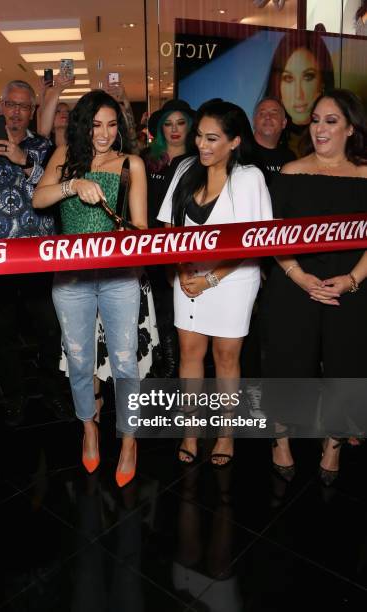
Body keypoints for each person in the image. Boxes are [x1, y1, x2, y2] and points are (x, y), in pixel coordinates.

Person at [33, 90, 148, 487]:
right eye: (96, 124)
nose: (104, 134)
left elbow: (141, 229)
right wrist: (73, 185)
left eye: (112, 124)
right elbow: (39, 198)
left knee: (124, 360)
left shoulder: (131, 163)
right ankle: (89, 428)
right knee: (79, 359)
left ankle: (129, 439)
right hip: (72, 278)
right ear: (83, 124)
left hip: (119, 276)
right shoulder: (65, 157)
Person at [260, 89, 367, 485]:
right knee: (288, 363)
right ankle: (282, 440)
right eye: (316, 120)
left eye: (331, 121)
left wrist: (352, 279)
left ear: (351, 128)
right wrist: (297, 275)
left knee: (347, 365)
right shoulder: (290, 172)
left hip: (351, 285)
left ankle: (333, 443)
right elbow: (272, 236)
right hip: (294, 284)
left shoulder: (365, 174)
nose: (320, 128)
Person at [157, 100, 272, 466]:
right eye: (199, 137)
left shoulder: (250, 177)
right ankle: (191, 431)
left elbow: (258, 241)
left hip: (233, 279)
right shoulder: (186, 168)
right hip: (187, 275)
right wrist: (181, 269)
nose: (202, 145)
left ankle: (225, 433)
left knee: (226, 358)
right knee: (190, 355)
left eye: (212, 138)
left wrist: (210, 278)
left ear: (235, 141)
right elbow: (169, 229)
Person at [0, 79, 70, 425]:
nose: (16, 112)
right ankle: (14, 396)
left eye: (24, 106)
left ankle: (52, 390)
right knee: (2, 334)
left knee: (49, 330)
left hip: (39, 255)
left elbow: (58, 190)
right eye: (10, 105)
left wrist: (25, 162)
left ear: (32, 111)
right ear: (1, 106)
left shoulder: (45, 147)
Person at [143, 99, 196, 378]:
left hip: (183, 245)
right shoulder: (147, 158)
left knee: (179, 307)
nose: (174, 130)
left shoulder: (201, 161)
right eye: (168, 123)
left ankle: (175, 366)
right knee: (157, 306)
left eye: (180, 122)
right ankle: (164, 362)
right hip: (149, 243)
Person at [265, 31, 334, 155]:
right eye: (288, 78)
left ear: (323, 82)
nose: (298, 94)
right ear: (278, 85)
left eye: (308, 77)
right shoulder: (265, 138)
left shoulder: (336, 141)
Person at [252, 97, 296, 181]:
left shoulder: (290, 158)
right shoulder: (240, 152)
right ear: (254, 122)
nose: (268, 117)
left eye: (274, 113)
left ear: (284, 123)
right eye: (262, 113)